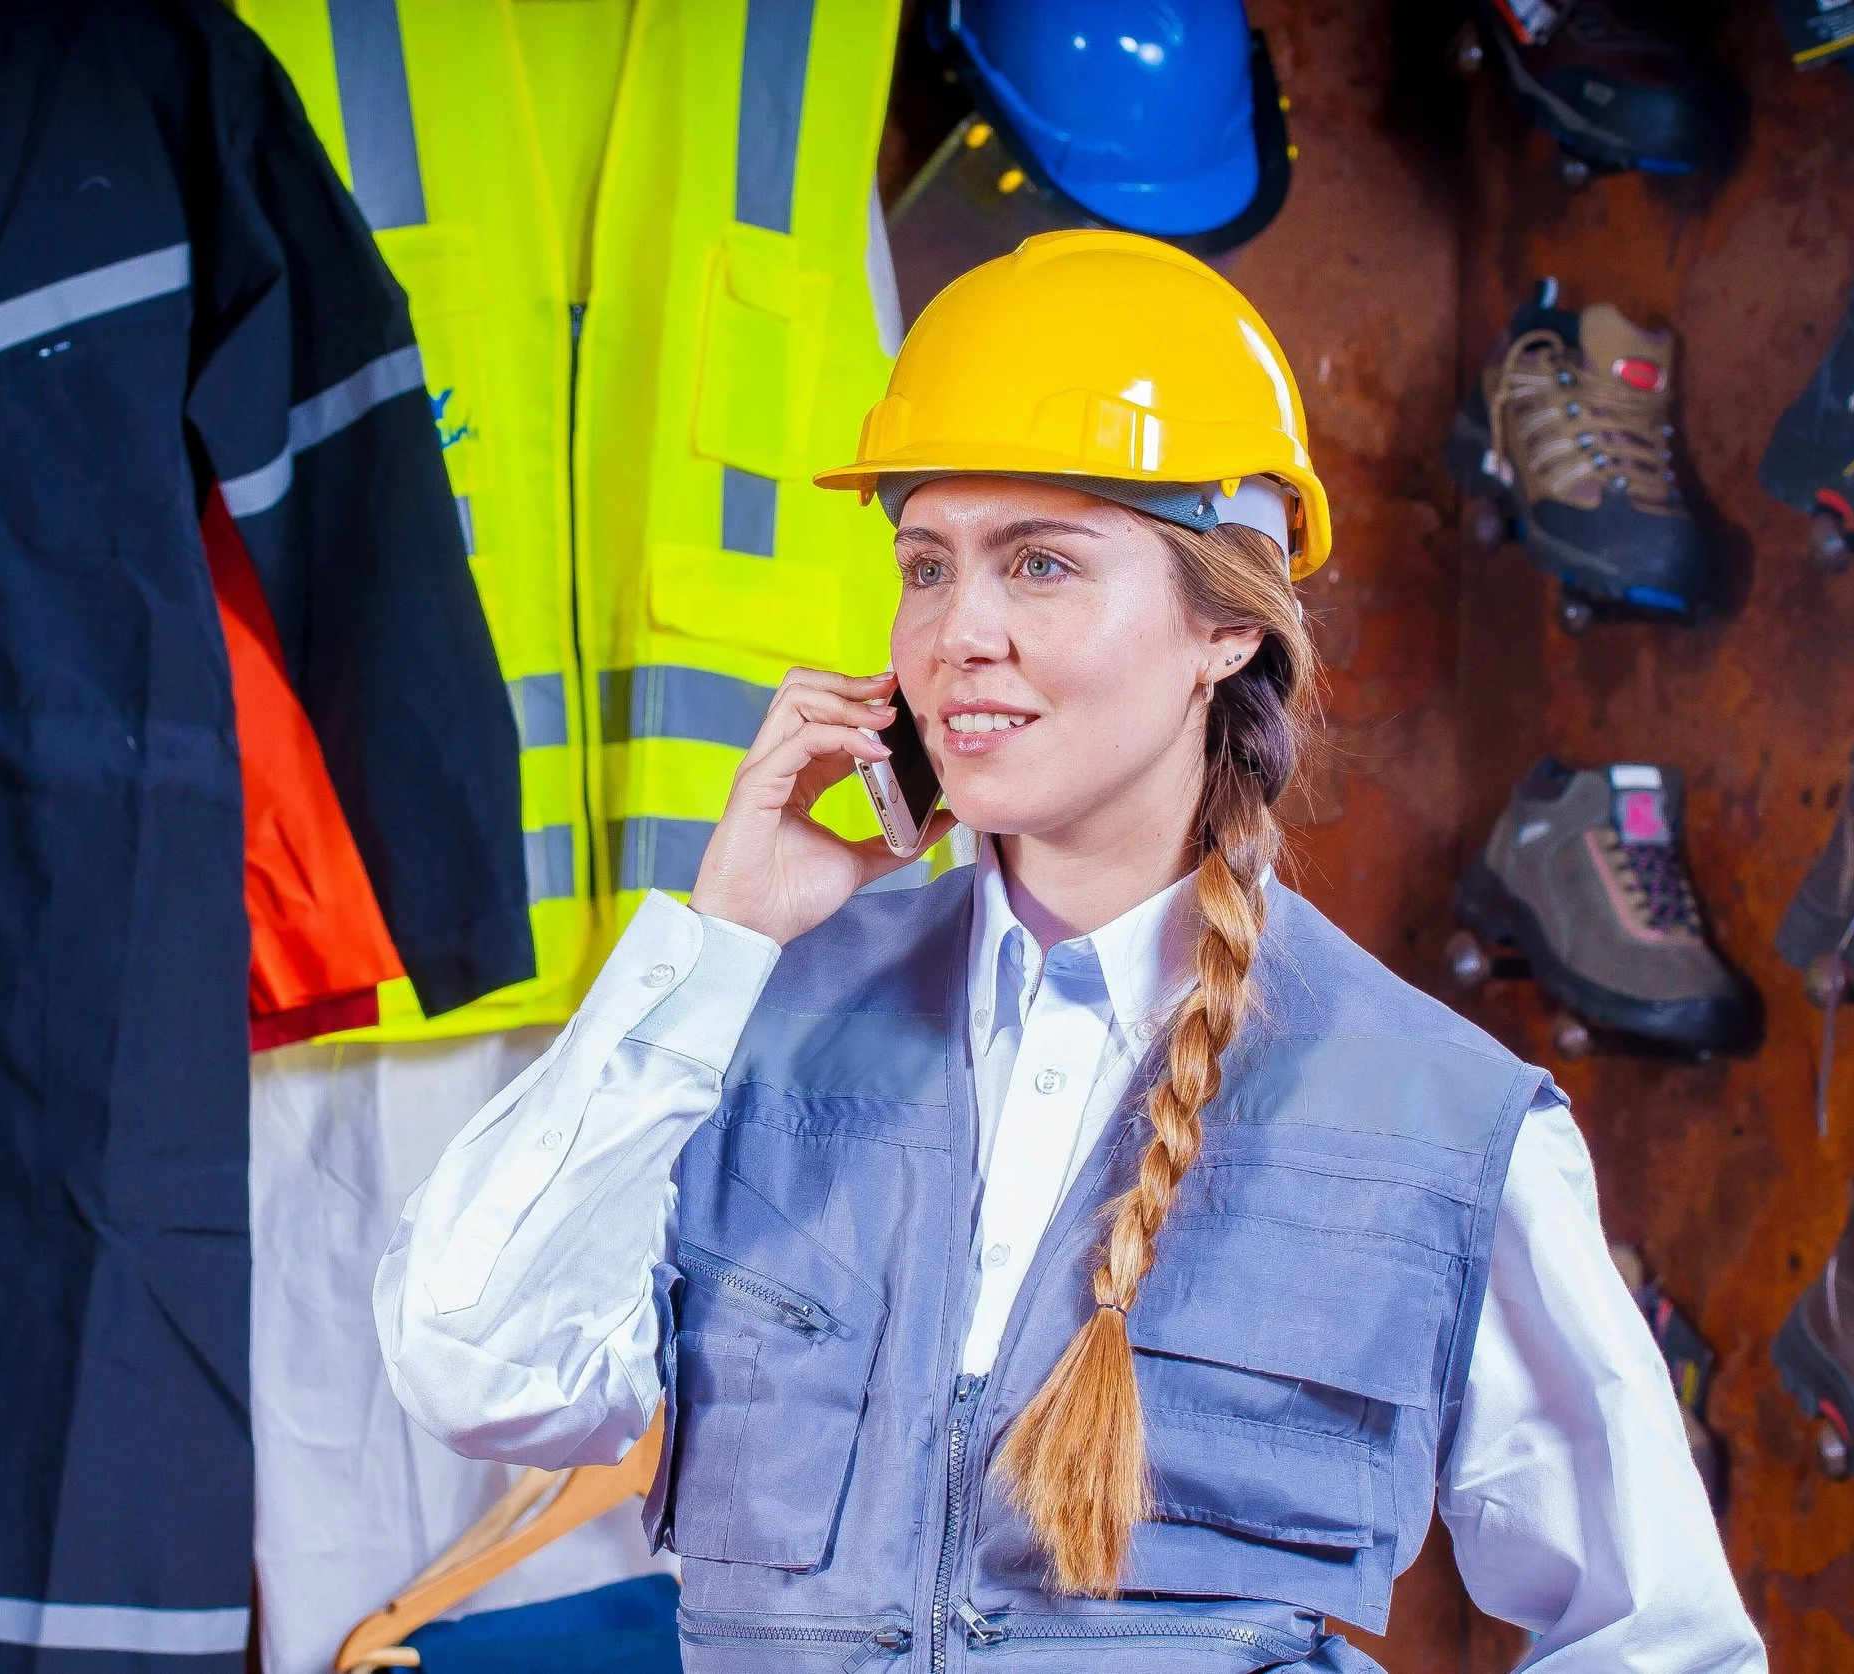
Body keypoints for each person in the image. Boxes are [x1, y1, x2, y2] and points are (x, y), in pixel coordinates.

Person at [375, 232, 1762, 1670]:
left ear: (1226, 623)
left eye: (1040, 563)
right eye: (926, 565)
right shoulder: (743, 1025)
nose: (958, 633)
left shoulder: (1440, 1120)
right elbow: (475, 1366)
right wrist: (718, 943)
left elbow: (1663, 1640)